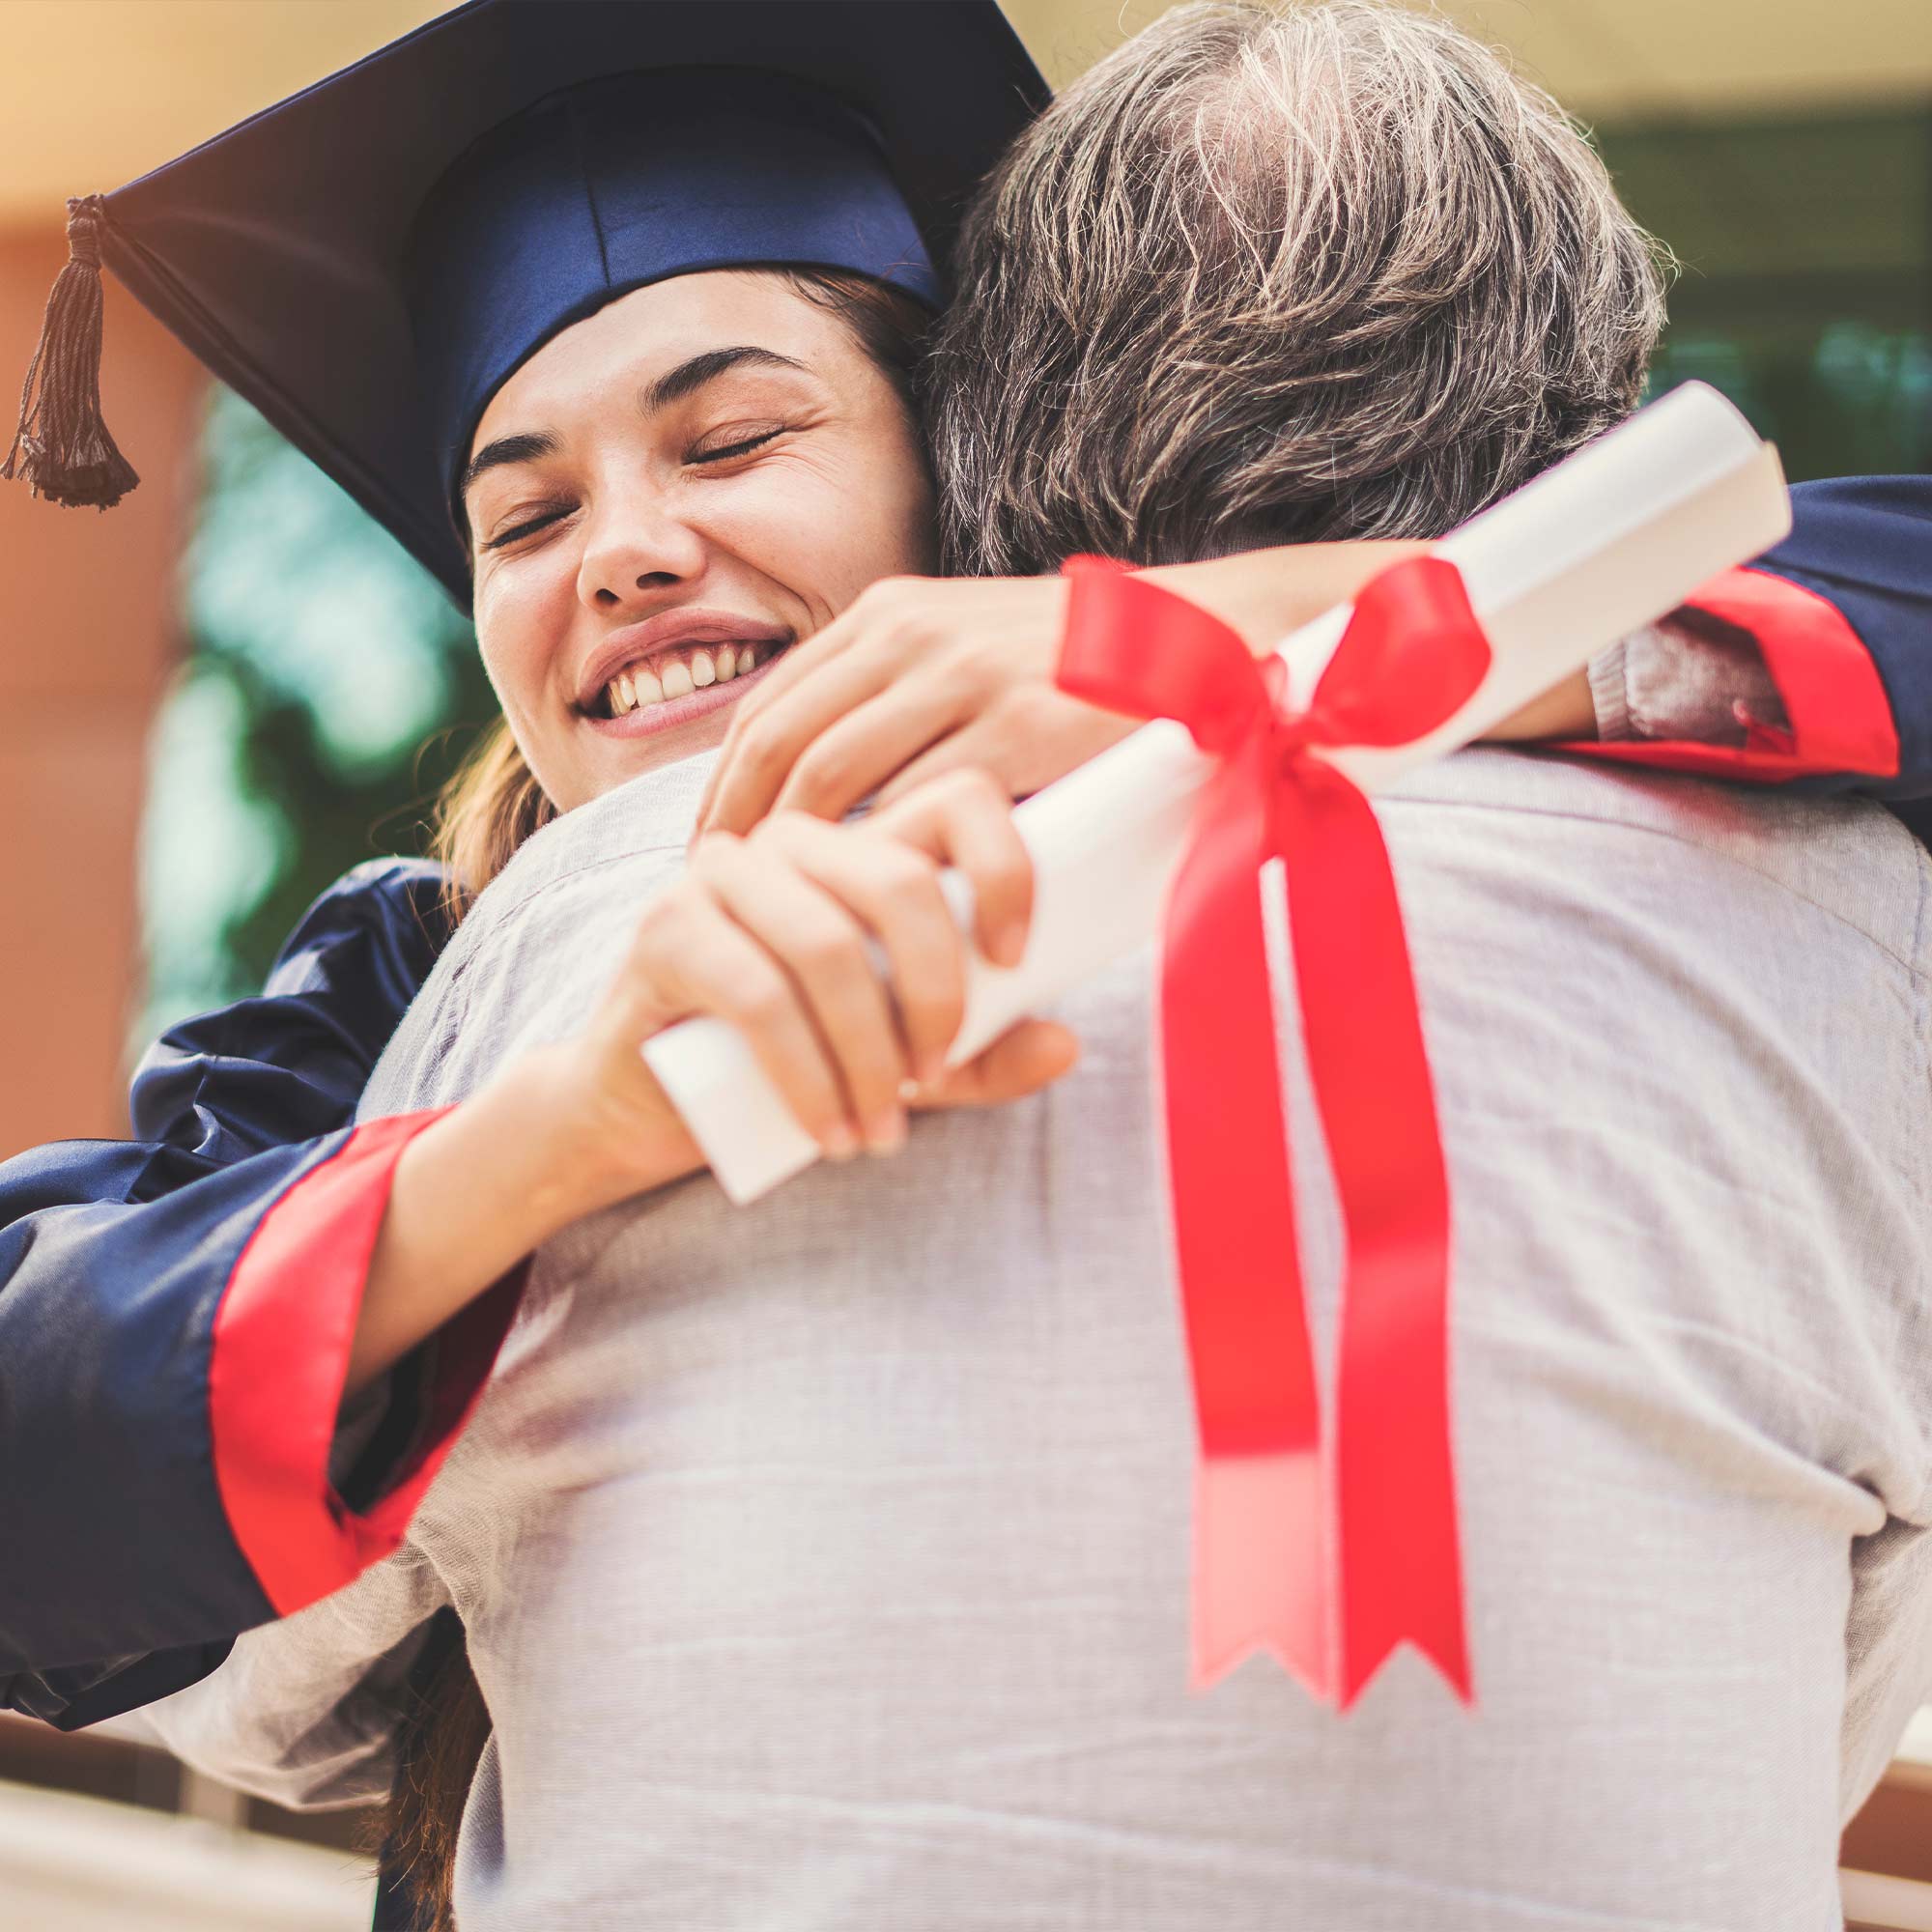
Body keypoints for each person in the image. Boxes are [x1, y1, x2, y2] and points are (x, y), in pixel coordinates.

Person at [140, 7, 1931, 1929]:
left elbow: (232, 1660)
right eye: (523, 513)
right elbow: (1803, 1671)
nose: (635, 554)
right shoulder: (1840, 913)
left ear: (973, 466)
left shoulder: (595, 944)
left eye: (735, 437)